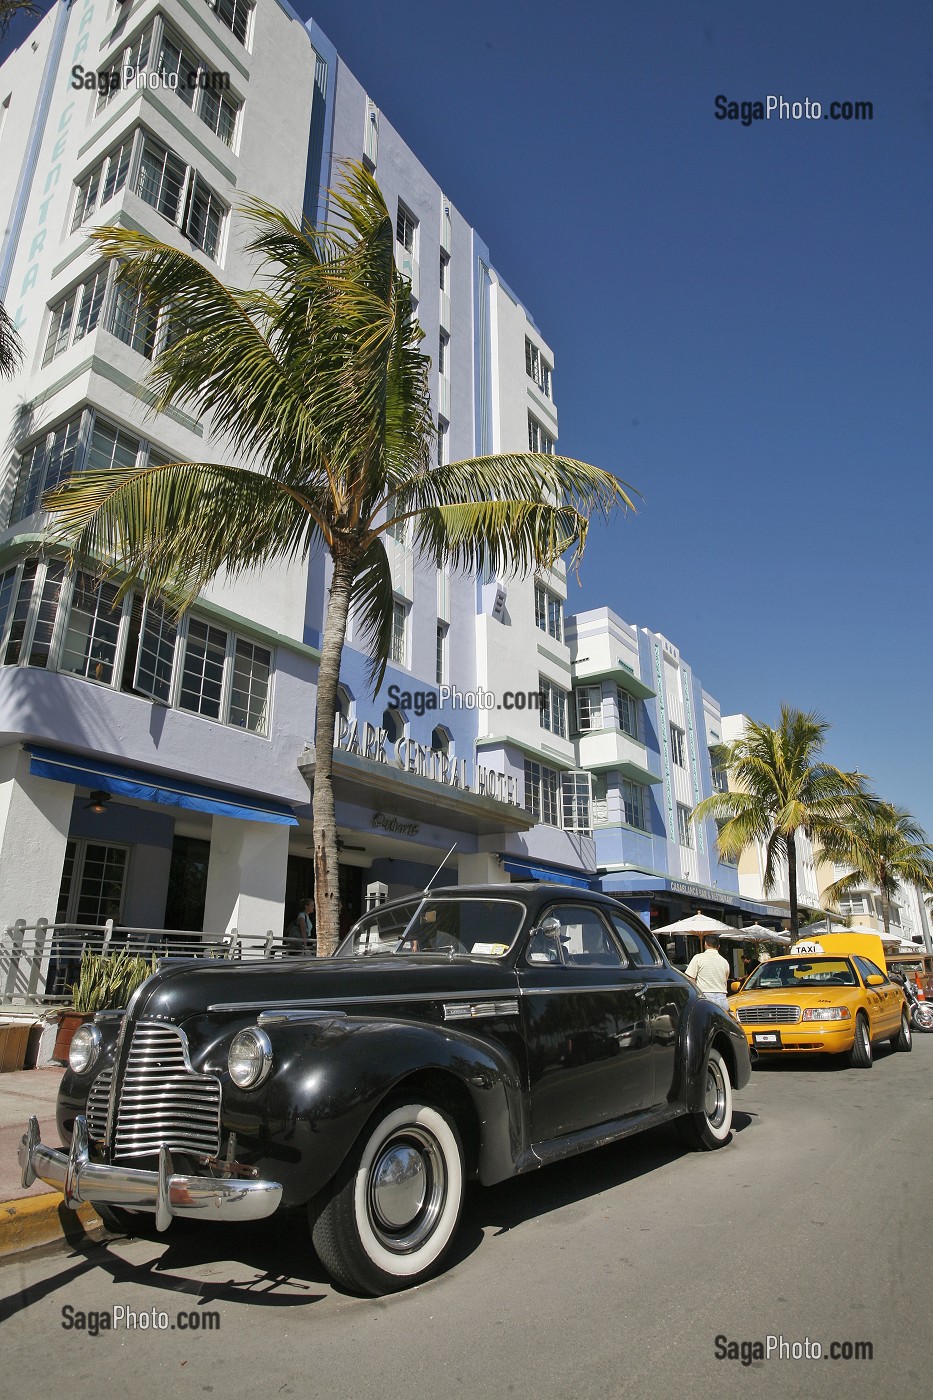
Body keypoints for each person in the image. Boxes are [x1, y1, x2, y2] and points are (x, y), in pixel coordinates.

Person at [683, 933, 732, 1012]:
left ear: (705, 944)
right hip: (722, 999)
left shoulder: (698, 958)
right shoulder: (724, 961)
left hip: (706, 998)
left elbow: (690, 978)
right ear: (718, 946)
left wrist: (697, 993)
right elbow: (725, 978)